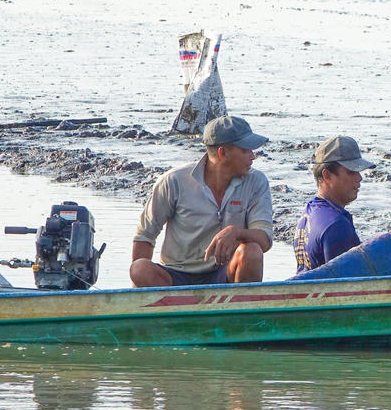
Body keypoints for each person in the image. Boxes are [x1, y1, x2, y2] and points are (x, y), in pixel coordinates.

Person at [131, 115, 274, 286]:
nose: (252, 156)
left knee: (252, 252)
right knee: (139, 269)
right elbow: (145, 236)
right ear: (223, 153)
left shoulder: (256, 181)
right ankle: (175, 307)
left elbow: (264, 239)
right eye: (246, 150)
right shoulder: (173, 181)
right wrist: (138, 292)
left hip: (224, 272)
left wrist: (236, 232)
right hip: (176, 274)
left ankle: (239, 310)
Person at [294, 135, 376, 272]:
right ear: (327, 175)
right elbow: (351, 284)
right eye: (351, 172)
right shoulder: (337, 226)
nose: (359, 178)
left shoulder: (309, 212)